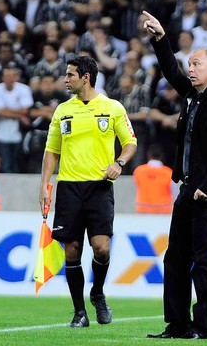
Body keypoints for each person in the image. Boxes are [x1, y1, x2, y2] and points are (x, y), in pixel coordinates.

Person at [142, 10, 207, 340]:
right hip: (187, 189)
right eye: (191, 64)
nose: (190, 69)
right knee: (175, 259)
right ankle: (177, 324)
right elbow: (171, 71)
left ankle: (203, 327)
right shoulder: (194, 98)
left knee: (203, 261)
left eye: (196, 64)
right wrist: (160, 38)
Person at [39, 55, 137, 328]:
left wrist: (119, 163)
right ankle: (79, 312)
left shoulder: (112, 108)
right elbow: (52, 151)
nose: (65, 79)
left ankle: (97, 292)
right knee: (71, 250)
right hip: (69, 187)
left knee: (101, 248)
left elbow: (130, 142)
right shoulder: (62, 111)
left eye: (70, 75)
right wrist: (45, 186)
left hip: (99, 187)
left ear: (86, 77)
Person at [133, 146, 176, 214]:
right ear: (161, 156)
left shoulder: (138, 171)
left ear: (148, 156)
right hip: (164, 210)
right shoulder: (168, 172)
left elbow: (136, 187)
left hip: (143, 210)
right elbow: (173, 192)